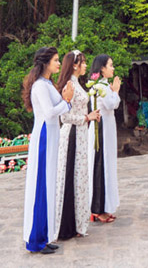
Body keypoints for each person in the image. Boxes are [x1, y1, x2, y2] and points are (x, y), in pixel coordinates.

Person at [21, 47, 74, 254]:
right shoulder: (40, 87)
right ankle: (36, 240)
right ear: (45, 63)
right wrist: (67, 102)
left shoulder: (48, 84)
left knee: (49, 186)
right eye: (55, 60)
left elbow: (58, 107)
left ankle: (44, 236)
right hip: (44, 138)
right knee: (41, 187)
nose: (59, 64)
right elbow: (50, 113)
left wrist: (65, 100)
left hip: (51, 137)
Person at [53, 50, 100, 241]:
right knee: (70, 176)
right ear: (74, 65)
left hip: (80, 134)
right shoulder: (69, 85)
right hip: (72, 133)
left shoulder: (77, 84)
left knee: (78, 176)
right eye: (83, 62)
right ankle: (66, 225)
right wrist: (87, 117)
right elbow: (64, 116)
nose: (86, 66)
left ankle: (75, 223)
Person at [87, 54, 122, 223]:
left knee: (107, 165)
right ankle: (98, 208)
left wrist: (113, 92)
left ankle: (105, 206)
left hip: (107, 127)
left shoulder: (102, 85)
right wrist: (115, 92)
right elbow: (111, 104)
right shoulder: (100, 86)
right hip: (100, 129)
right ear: (102, 69)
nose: (113, 68)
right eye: (110, 65)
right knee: (100, 165)